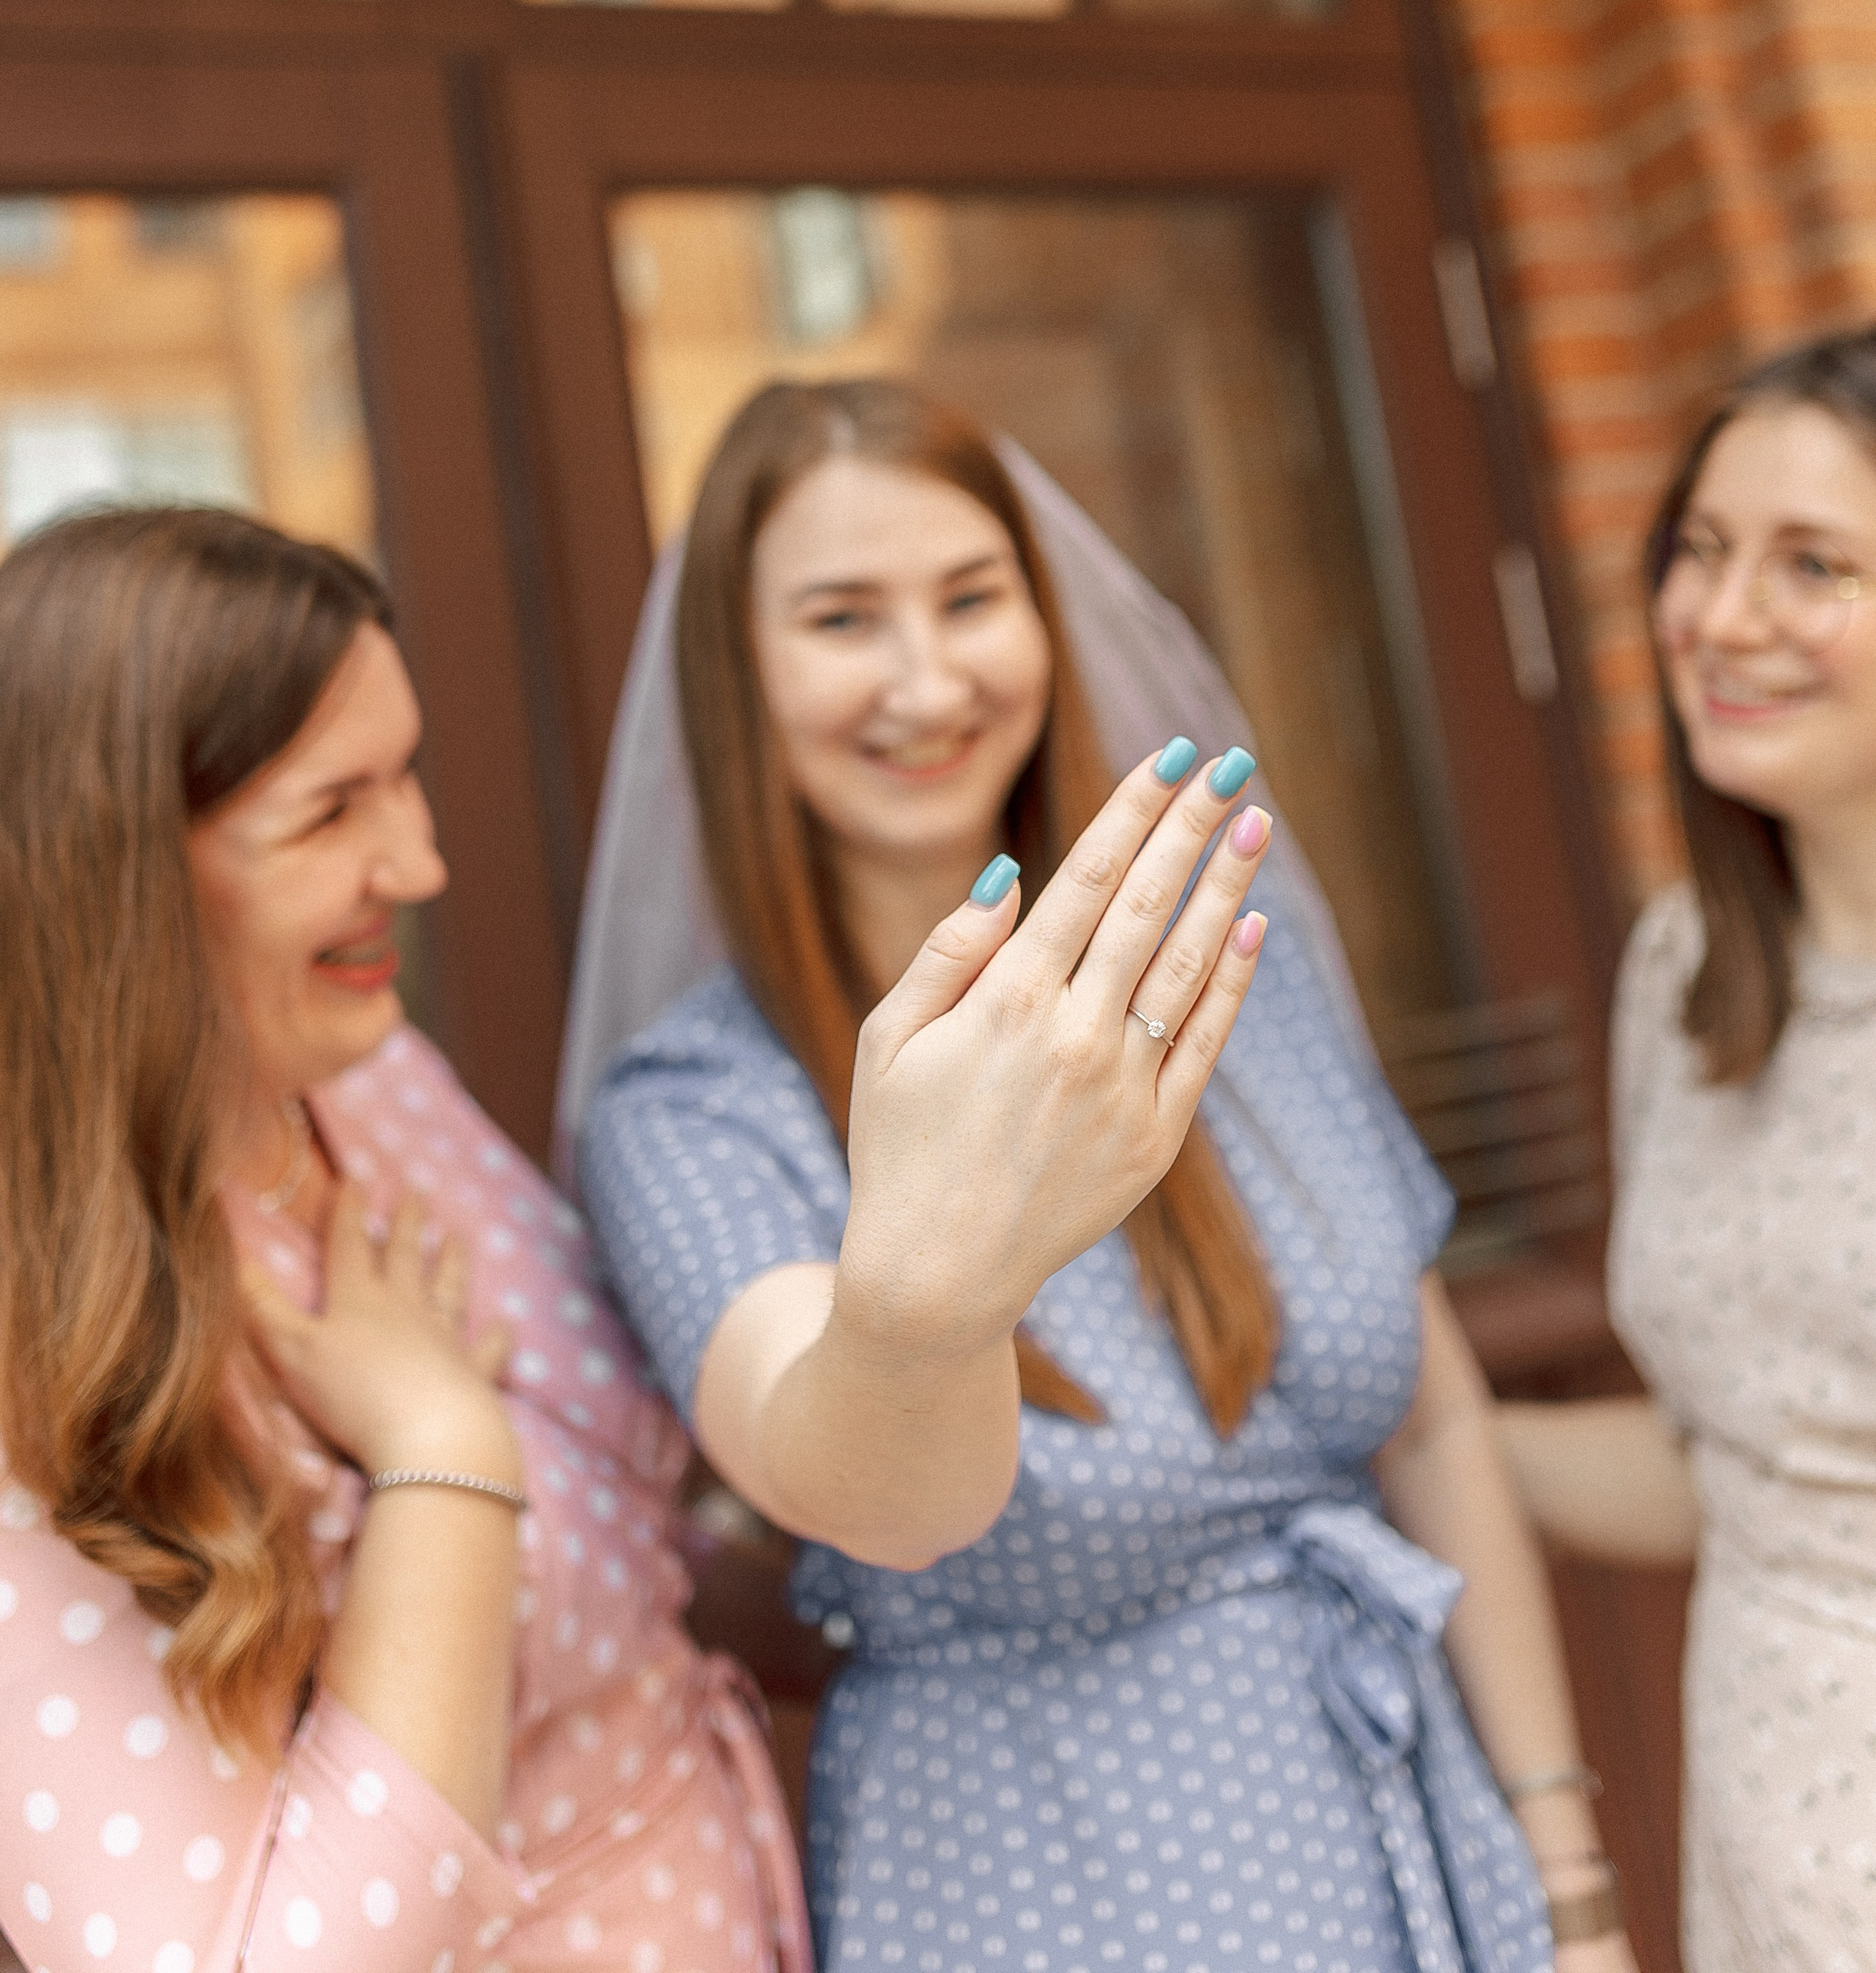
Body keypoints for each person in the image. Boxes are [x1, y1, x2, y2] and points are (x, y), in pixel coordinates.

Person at [569, 376, 1633, 1973]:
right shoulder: (697, 1112)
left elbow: (1434, 1421)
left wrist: (1567, 1883)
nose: (928, 679)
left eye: (970, 598)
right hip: (1049, 1883)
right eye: (843, 619)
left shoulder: (1224, 968)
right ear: (738, 673)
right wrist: (947, 1275)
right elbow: (858, 1490)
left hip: (1409, 1831)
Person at [0, 506, 816, 1970]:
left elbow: (614, 1561)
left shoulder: (370, 1080)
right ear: (108, 877)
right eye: (331, 813)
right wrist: (442, 1447)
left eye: (405, 776)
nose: (422, 863)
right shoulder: (38, 1330)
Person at [1499, 325, 1876, 1973]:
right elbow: (1740, 1464)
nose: (1720, 619)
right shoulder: (1686, 976)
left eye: (1812, 565)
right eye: (1700, 552)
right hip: (1774, 1863)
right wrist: (1424, 1436)